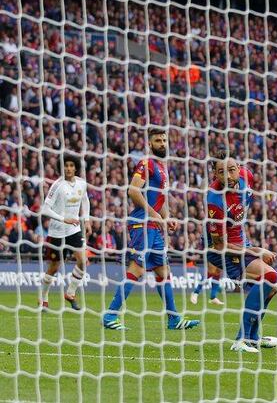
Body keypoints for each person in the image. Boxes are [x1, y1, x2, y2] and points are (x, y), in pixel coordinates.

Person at [102, 129, 200, 331]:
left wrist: (167, 217)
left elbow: (160, 199)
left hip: (153, 225)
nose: (162, 143)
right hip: (142, 224)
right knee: (136, 269)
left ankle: (174, 319)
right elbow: (133, 190)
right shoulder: (146, 164)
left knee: (163, 271)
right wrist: (153, 214)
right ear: (150, 144)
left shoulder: (162, 168)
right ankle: (110, 315)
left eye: (164, 139)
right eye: (158, 140)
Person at [205, 150, 277, 352]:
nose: (228, 176)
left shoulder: (247, 177)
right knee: (270, 277)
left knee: (272, 286)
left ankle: (252, 337)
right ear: (215, 175)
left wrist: (251, 247)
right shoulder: (215, 200)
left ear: (239, 168)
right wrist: (255, 251)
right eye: (221, 172)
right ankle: (241, 340)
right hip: (222, 249)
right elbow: (219, 245)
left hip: (241, 241)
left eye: (231, 170)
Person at [39, 154, 90, 311]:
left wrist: (87, 220)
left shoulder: (82, 184)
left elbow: (85, 200)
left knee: (82, 261)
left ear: (75, 168)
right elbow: (45, 209)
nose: (68, 168)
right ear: (62, 168)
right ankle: (43, 298)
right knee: (54, 267)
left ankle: (70, 293)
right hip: (57, 232)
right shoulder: (57, 185)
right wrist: (63, 219)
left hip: (74, 230)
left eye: (71, 165)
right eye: (66, 166)